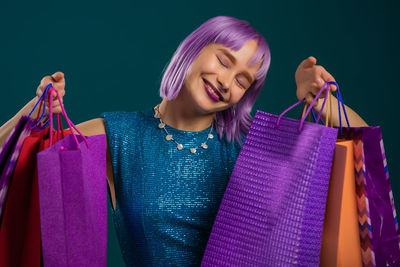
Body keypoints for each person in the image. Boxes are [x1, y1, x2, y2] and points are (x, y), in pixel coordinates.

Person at [0, 16, 367, 266]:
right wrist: (36, 110)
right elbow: (8, 162)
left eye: (242, 81)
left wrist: (324, 103)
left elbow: (362, 173)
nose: (226, 81)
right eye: (224, 60)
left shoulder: (253, 144)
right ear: (194, 49)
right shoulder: (119, 135)